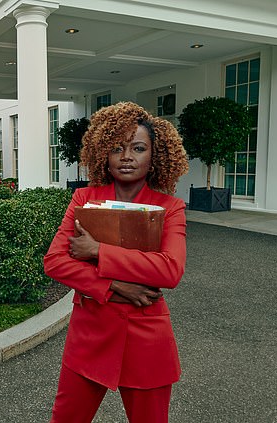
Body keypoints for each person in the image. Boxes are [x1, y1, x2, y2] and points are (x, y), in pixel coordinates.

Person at [44, 101, 189, 423]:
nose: (127, 157)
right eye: (116, 148)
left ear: (155, 156)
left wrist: (97, 251)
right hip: (89, 333)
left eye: (138, 148)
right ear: (102, 155)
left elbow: (169, 269)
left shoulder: (171, 207)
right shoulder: (84, 199)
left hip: (146, 335)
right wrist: (114, 285)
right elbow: (55, 261)